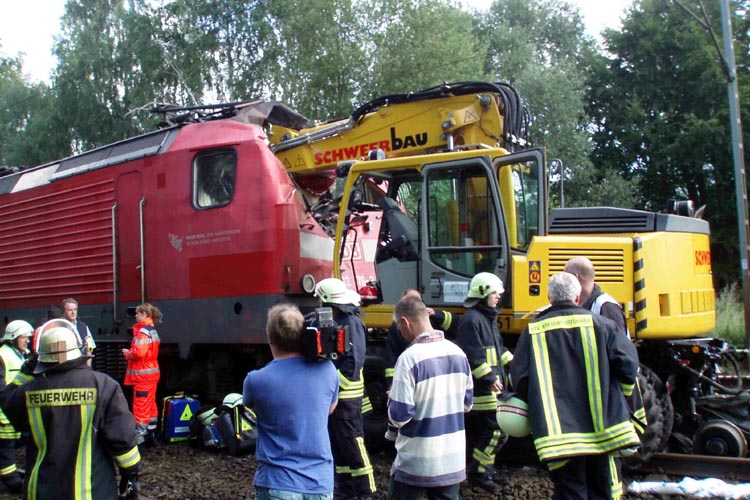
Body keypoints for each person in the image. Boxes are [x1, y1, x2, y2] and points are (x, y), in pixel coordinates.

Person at [510, 272, 641, 500]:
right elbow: (629, 369)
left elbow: (520, 379)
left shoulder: (532, 332)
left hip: (559, 437)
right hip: (603, 430)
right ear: (578, 298)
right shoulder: (604, 326)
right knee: (602, 488)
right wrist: (620, 402)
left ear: (550, 299)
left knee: (570, 490)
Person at [0, 321, 141, 500]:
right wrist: (131, 473)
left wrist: (28, 370)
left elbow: (6, 399)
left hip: (40, 491)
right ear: (77, 351)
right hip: (92, 491)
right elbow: (122, 439)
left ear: (41, 358)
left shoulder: (29, 392)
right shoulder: (103, 385)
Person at [243, 303, 339, 500]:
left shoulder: (256, 380)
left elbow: (250, 407)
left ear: (269, 336)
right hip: (320, 484)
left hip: (277, 482)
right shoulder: (328, 370)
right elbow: (330, 409)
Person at [387, 294, 473, 500]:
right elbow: (467, 404)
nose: (399, 332)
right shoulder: (458, 353)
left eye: (399, 327)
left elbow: (399, 416)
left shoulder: (408, 359)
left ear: (405, 322)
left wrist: (393, 398)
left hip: (416, 462)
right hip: (452, 461)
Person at [313, 278, 377, 500]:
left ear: (328, 301)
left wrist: (333, 390)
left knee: (353, 443)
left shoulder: (350, 322)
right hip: (335, 398)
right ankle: (346, 488)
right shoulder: (337, 320)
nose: (318, 306)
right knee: (338, 444)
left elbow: (353, 362)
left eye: (320, 301)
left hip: (346, 398)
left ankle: (366, 491)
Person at [455, 272, 512, 493]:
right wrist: (488, 379)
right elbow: (473, 354)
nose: (498, 296)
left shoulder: (487, 317)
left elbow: (497, 350)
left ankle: (482, 470)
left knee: (488, 432)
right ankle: (479, 472)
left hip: (491, 388)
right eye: (494, 292)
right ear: (482, 293)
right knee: (496, 431)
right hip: (483, 390)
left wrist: (513, 363)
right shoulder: (473, 319)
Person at [0, 320, 33, 493]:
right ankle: (12, 484)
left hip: (19, 413)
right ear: (13, 338)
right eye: (23, 337)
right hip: (4, 416)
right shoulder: (2, 355)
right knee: (6, 451)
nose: (27, 340)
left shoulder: (24, 354)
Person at [122, 303, 161, 446]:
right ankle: (152, 433)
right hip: (151, 374)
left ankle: (139, 438)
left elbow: (140, 353)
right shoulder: (152, 330)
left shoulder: (142, 332)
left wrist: (128, 354)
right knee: (150, 405)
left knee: (140, 407)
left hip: (142, 376)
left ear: (144, 314)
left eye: (137, 314)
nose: (135, 316)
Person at [563, 257, 627, 334]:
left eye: (566, 277)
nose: (565, 283)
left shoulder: (607, 306)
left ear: (576, 277)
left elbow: (619, 344)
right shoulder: (578, 303)